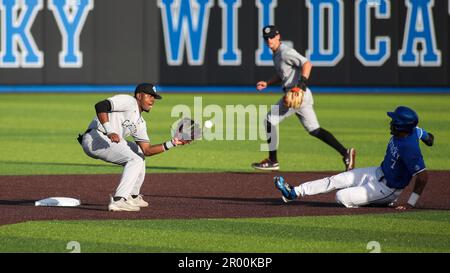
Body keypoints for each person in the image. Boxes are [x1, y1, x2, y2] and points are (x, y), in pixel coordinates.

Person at [274, 106, 434, 209]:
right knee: (336, 180)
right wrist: (428, 139)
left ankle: (381, 201)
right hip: (376, 172)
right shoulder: (414, 130)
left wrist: (410, 203)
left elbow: (423, 177)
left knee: (341, 196)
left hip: (388, 189)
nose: (390, 122)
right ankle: (293, 192)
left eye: (394, 121)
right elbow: (429, 137)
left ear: (401, 126)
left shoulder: (409, 149)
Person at [252, 25, 355, 172]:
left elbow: (307, 64)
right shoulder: (276, 53)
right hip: (301, 96)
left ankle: (273, 161)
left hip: (295, 94)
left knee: (269, 120)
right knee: (315, 130)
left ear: (278, 36)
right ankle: (346, 153)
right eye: (266, 38)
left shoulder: (285, 52)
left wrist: (301, 85)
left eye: (272, 36)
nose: (269, 40)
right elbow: (283, 74)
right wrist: (267, 83)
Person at [77, 83, 190, 212]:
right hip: (96, 137)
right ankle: (119, 200)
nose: (152, 100)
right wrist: (110, 130)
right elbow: (100, 105)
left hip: (107, 140)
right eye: (149, 96)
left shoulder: (140, 123)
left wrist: (173, 143)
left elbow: (147, 150)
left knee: (139, 153)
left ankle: (132, 195)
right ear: (139, 96)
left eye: (154, 97)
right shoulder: (129, 101)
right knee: (134, 160)